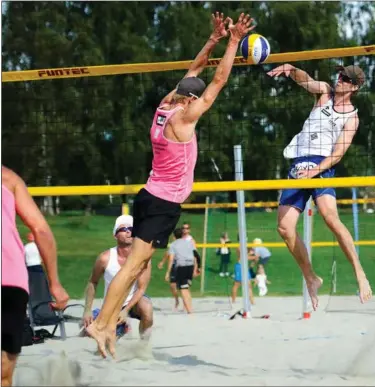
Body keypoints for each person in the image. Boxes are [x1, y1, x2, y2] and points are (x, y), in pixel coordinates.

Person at [86, 12, 255, 358]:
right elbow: (217, 82)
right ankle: (101, 323)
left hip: (149, 196)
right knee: (134, 266)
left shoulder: (164, 106)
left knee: (137, 266)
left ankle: (106, 322)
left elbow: (194, 73)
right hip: (164, 202)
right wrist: (234, 41)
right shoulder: (185, 117)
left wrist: (212, 39)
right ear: (191, 101)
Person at [267, 64, 372, 310]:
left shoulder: (352, 117)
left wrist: (314, 172)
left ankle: (360, 273)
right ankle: (311, 277)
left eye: (345, 78)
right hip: (299, 163)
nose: (339, 79)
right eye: (340, 75)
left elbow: (337, 155)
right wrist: (292, 69)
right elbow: (306, 81)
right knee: (284, 227)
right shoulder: (324, 92)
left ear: (355, 86)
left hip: (321, 165)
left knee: (330, 217)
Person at [1, 166, 69, 387]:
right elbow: (41, 229)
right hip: (10, 279)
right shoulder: (8, 177)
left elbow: (40, 231)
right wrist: (55, 283)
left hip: (9, 279)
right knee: (4, 371)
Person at [81, 215, 153, 340]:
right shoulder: (105, 258)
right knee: (90, 334)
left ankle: (143, 344)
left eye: (131, 228)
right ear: (115, 235)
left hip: (134, 302)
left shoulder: (143, 258)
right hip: (112, 303)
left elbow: (141, 289)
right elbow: (93, 282)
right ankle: (118, 327)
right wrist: (87, 310)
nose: (128, 231)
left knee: (147, 308)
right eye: (123, 229)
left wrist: (126, 311)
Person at [165, 228, 198, 314]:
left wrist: (168, 272)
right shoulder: (189, 243)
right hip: (190, 266)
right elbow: (195, 255)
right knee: (186, 288)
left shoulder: (173, 245)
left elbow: (171, 259)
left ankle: (189, 311)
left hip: (182, 267)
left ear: (174, 236)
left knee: (183, 289)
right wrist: (196, 268)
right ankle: (190, 308)